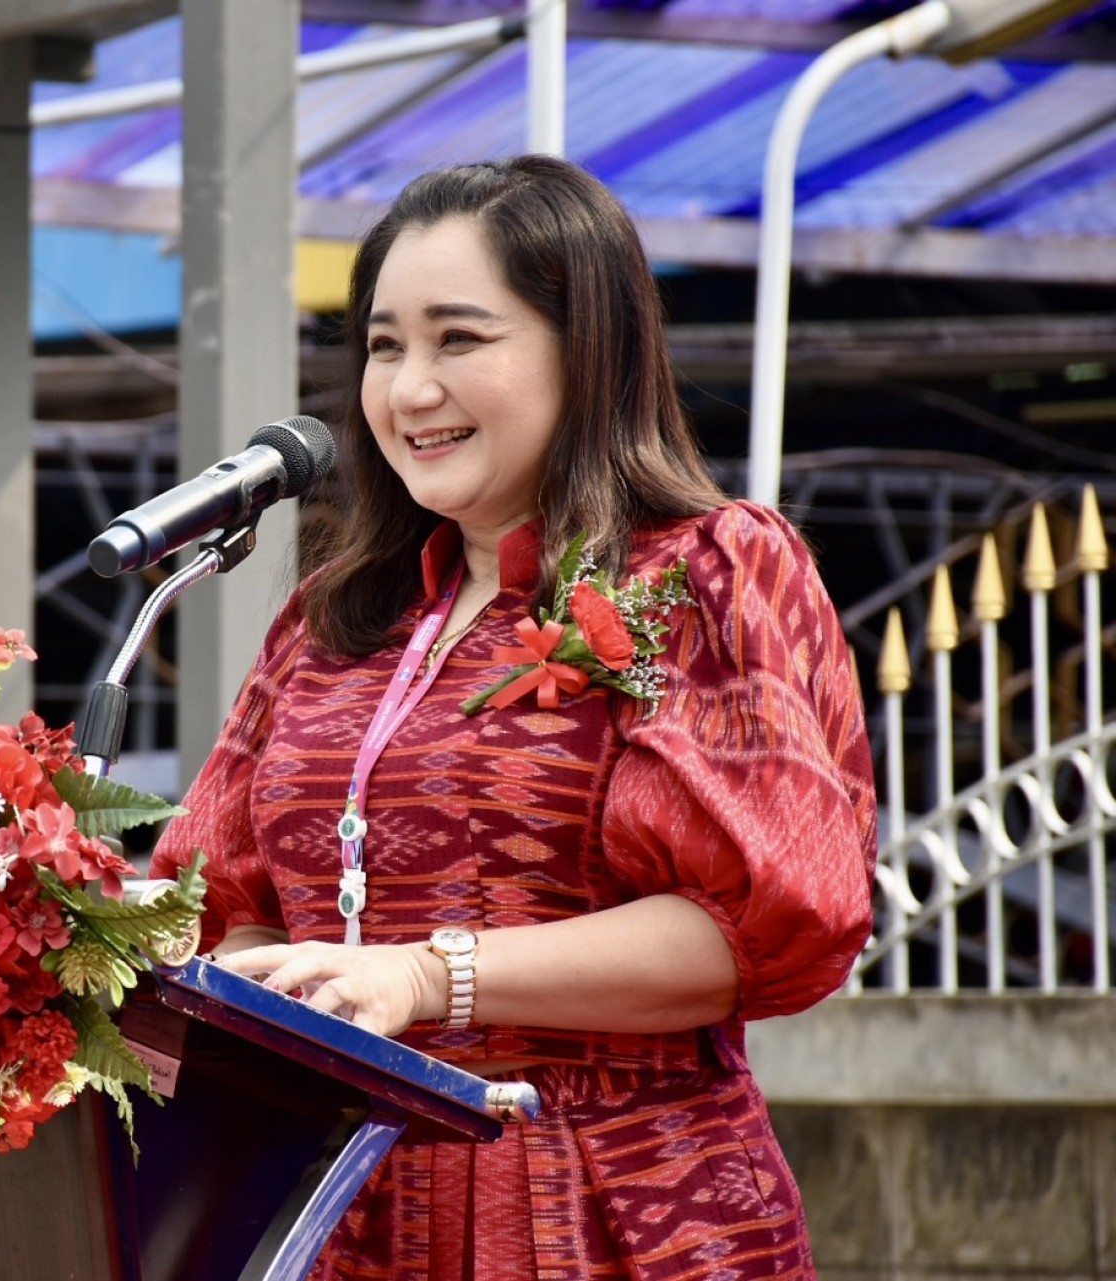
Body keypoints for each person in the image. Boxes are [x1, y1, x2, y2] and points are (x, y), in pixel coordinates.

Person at [148, 155, 877, 1279]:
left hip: (611, 1208)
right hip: (345, 1213)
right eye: (385, 346)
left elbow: (756, 925)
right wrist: (253, 977)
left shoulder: (707, 571)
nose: (409, 390)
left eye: (459, 339)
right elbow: (237, 908)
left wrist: (426, 977)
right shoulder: (333, 617)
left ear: (587, 352)